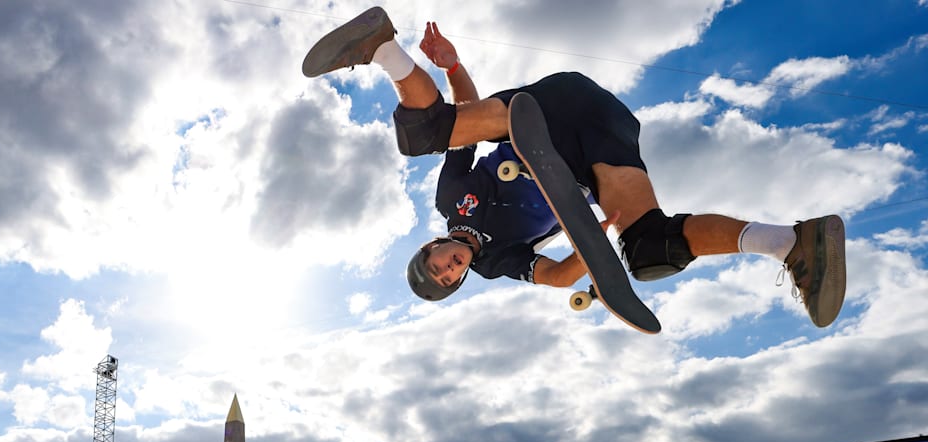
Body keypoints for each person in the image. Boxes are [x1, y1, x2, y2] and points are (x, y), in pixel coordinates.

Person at [303, 8, 847, 329]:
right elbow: (562, 275)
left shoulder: (452, 197)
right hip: (601, 146)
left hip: (543, 113)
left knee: (426, 133)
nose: (451, 268)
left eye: (439, 264)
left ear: (431, 247)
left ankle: (380, 47)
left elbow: (461, 116)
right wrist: (593, 239)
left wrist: (453, 64)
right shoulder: (496, 263)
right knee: (649, 250)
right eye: (450, 279)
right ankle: (790, 242)